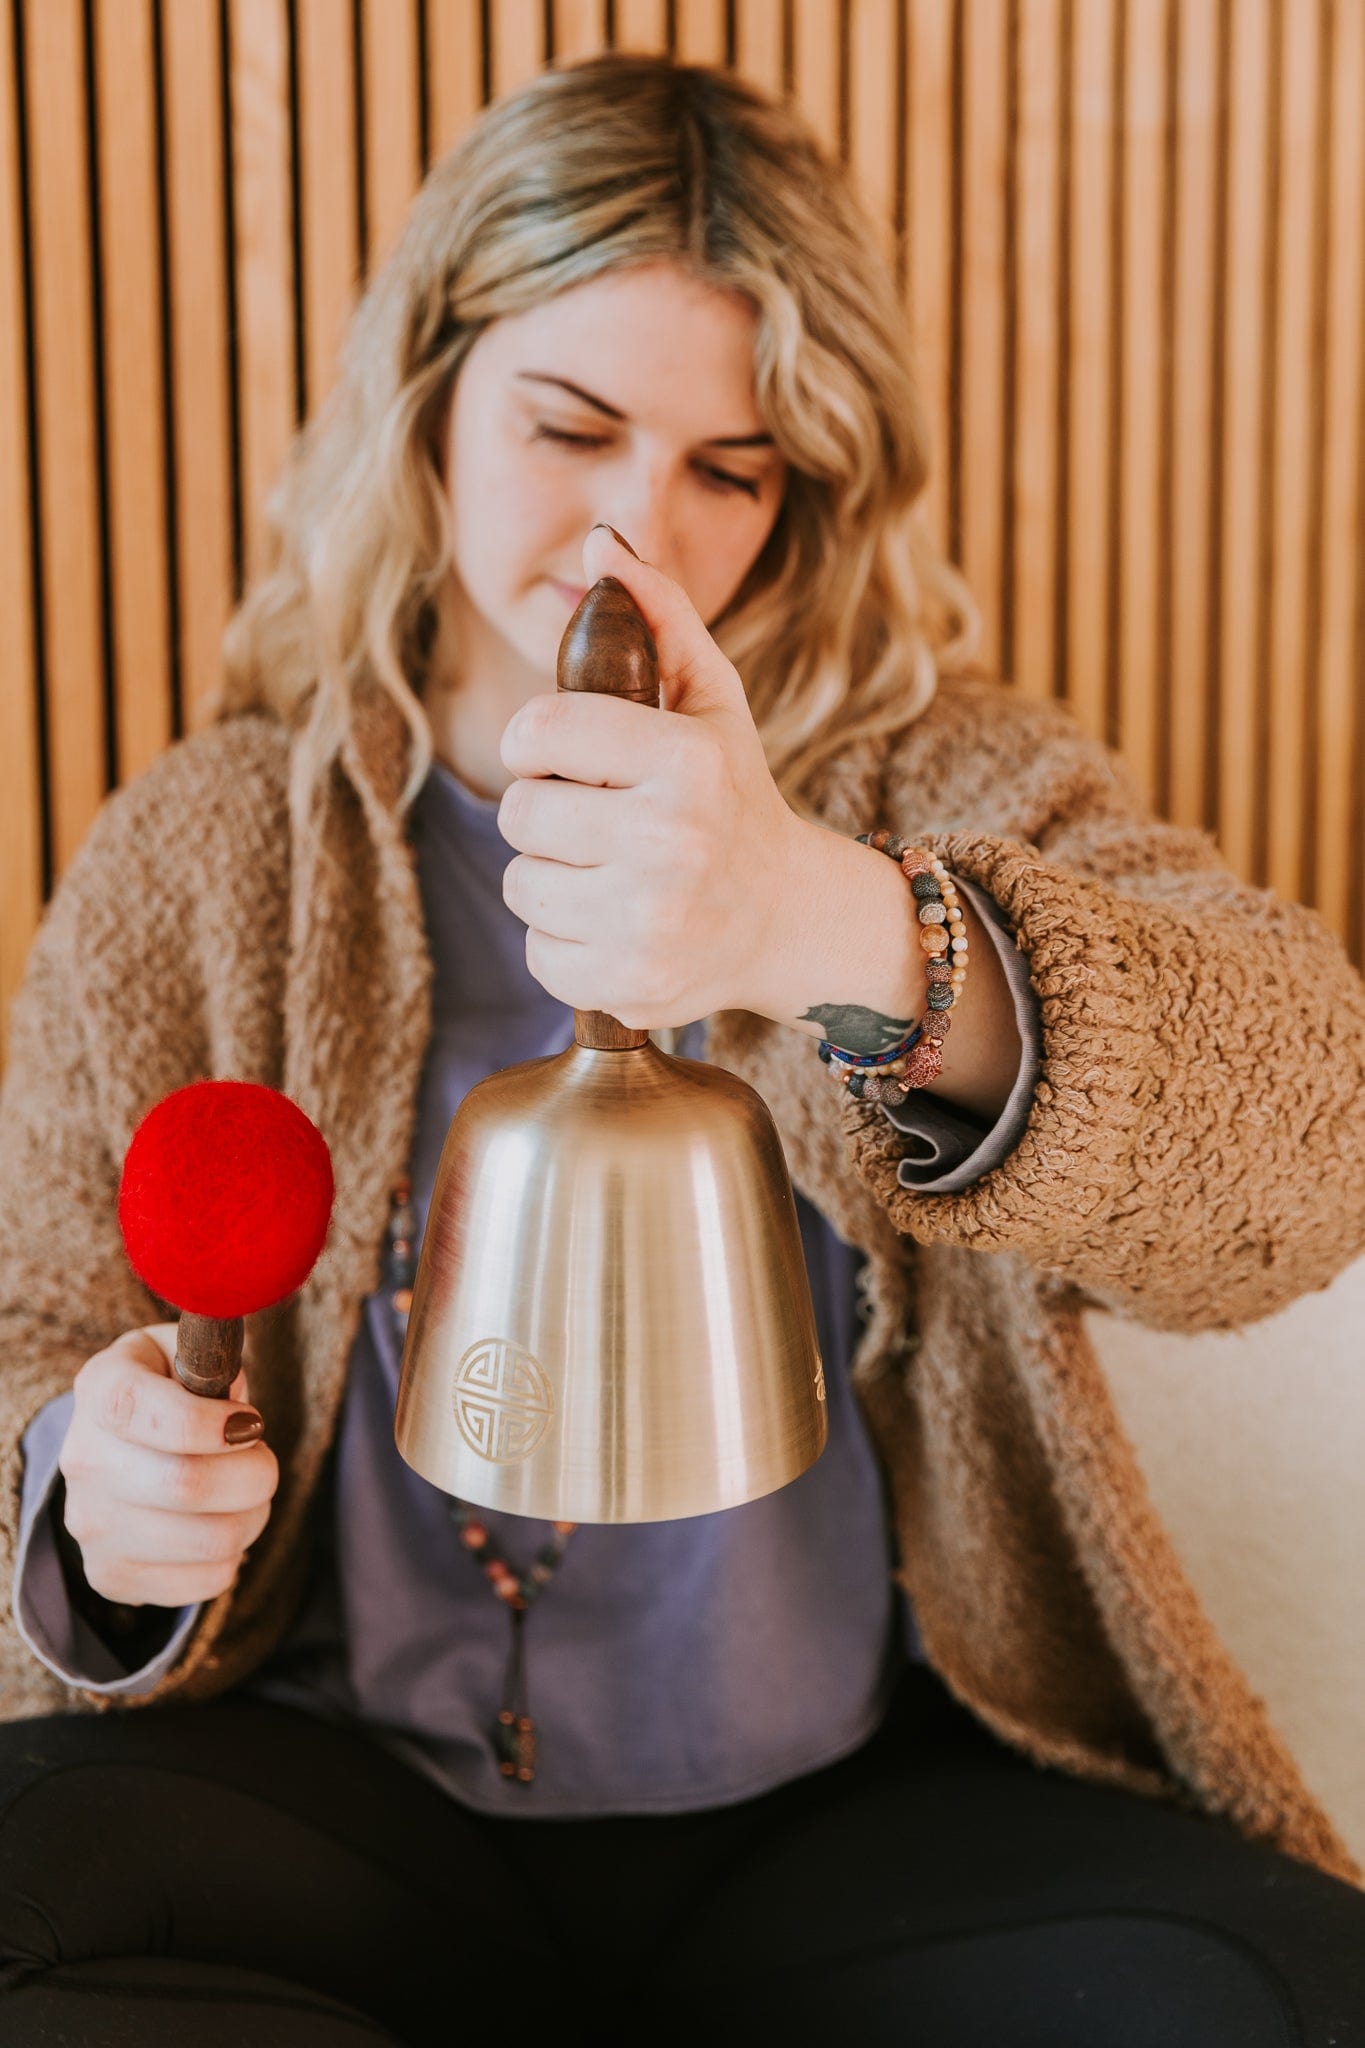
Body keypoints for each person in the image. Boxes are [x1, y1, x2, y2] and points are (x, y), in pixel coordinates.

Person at [0, 48, 1362, 2048]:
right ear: (431, 397)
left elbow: (1309, 1136)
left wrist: (822, 916)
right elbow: (36, 1316)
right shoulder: (210, 854)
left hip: (849, 1808)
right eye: (571, 425)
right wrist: (82, 1496)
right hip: (342, 1793)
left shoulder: (935, 783)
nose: (638, 536)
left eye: (729, 470)